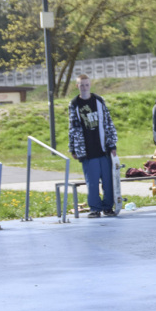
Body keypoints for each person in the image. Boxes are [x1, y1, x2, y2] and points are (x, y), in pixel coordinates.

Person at [68, 74, 118, 218]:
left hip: (103, 149)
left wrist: (112, 145)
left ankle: (108, 207)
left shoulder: (98, 101)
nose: (84, 87)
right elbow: (72, 127)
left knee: (108, 181)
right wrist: (73, 148)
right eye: (81, 85)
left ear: (90, 85)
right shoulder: (74, 104)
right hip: (87, 151)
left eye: (86, 84)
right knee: (92, 182)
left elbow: (108, 123)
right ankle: (95, 208)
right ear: (77, 86)